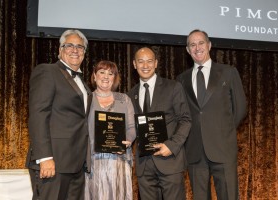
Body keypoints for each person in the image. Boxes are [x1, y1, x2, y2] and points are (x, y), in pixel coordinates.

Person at [176, 29, 247, 200]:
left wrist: (223, 131)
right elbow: (181, 115)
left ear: (209, 45)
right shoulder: (181, 79)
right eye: (192, 44)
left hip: (223, 149)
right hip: (194, 152)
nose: (197, 47)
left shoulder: (228, 72)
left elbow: (240, 108)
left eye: (201, 43)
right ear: (187, 50)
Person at [26, 29, 92, 200]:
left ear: (84, 53)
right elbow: (38, 115)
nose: (75, 50)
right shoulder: (47, 72)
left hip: (77, 164)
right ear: (60, 50)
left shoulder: (82, 83)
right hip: (53, 162)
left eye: (80, 47)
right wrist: (45, 157)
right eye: (69, 45)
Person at [127, 47, 191, 200]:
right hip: (144, 165)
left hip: (169, 161)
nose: (145, 65)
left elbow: (185, 119)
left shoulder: (173, 87)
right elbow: (131, 127)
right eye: (140, 61)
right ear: (134, 64)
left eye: (149, 61)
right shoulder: (130, 95)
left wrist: (172, 145)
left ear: (156, 63)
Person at [84, 60, 136, 200]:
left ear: (115, 78)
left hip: (119, 160)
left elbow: (132, 127)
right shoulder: (87, 99)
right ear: (94, 76)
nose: (106, 76)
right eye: (102, 72)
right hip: (94, 162)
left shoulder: (124, 99)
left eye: (110, 73)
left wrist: (128, 141)